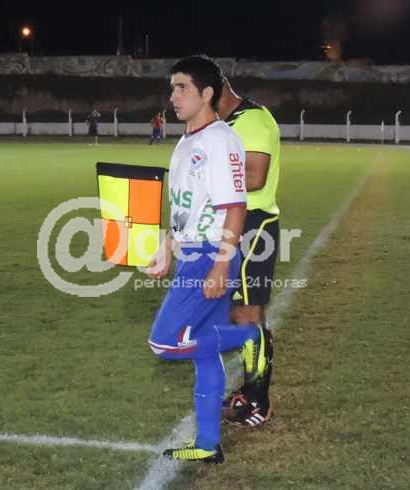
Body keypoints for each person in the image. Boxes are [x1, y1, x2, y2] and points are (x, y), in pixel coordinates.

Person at [146, 55, 271, 463]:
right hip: (192, 252)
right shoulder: (187, 141)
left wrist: (220, 264)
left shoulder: (220, 140)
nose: (173, 96)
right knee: (204, 352)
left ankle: (250, 337)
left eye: (182, 88)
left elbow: (235, 206)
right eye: (172, 88)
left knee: (164, 342)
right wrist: (168, 246)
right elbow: (186, 208)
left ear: (207, 94)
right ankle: (207, 443)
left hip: (210, 254)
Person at [216, 78, 281, 427]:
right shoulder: (225, 124)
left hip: (253, 224)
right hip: (234, 223)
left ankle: (257, 401)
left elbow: (255, 177)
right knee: (239, 312)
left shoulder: (252, 119)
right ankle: (252, 391)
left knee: (247, 313)